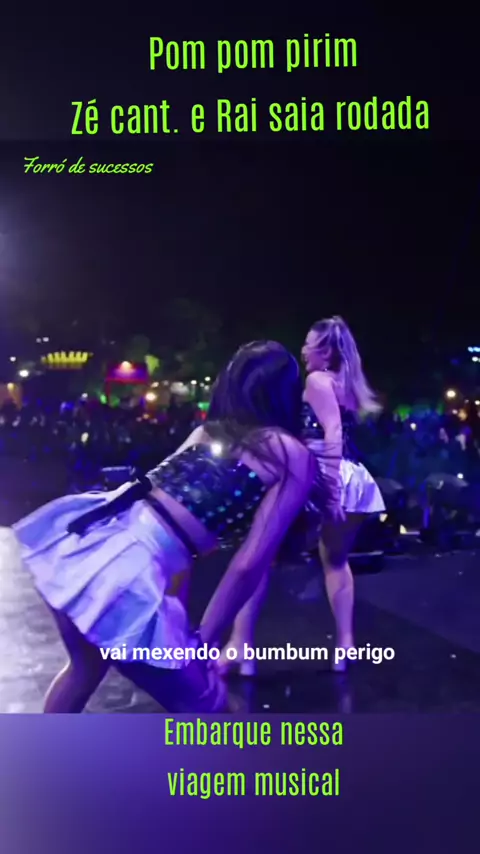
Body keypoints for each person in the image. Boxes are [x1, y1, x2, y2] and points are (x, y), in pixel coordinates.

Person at [12, 341, 319, 712]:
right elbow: (248, 564)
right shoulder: (291, 454)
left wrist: (180, 628)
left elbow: (163, 516)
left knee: (83, 671)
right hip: (128, 575)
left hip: (90, 549)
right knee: (210, 708)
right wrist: (205, 640)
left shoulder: (209, 433)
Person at [220, 317, 385, 674]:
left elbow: (333, 432)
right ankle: (345, 644)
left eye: (309, 344)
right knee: (336, 562)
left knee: (258, 557)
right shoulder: (347, 384)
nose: (303, 350)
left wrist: (331, 493)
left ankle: (241, 645)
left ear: (325, 351)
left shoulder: (316, 381)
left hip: (319, 476)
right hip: (354, 477)